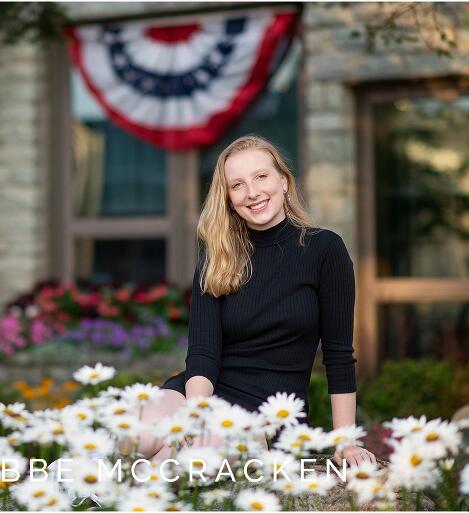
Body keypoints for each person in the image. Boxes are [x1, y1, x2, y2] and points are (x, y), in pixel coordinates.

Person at [125, 134, 376, 468]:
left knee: (182, 455)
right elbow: (202, 356)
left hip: (266, 417)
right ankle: (74, 485)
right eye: (238, 185)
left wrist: (346, 443)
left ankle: (99, 490)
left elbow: (340, 357)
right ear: (228, 198)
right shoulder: (219, 256)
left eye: (261, 177)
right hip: (203, 395)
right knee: (137, 435)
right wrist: (197, 416)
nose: (253, 192)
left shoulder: (324, 250)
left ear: (284, 181)